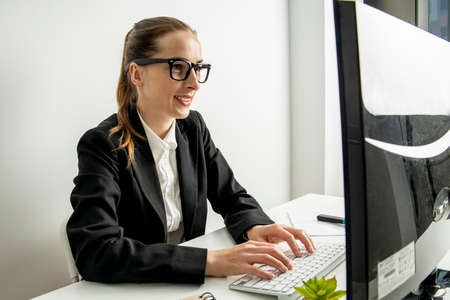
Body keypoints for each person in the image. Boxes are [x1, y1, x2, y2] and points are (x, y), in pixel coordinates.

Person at [67, 16, 315, 284]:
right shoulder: (102, 144)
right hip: (138, 288)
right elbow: (97, 252)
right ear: (137, 74)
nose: (194, 83)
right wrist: (209, 261)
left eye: (198, 68)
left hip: (188, 286)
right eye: (178, 68)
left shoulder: (192, 128)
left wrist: (257, 227)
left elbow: (232, 197)